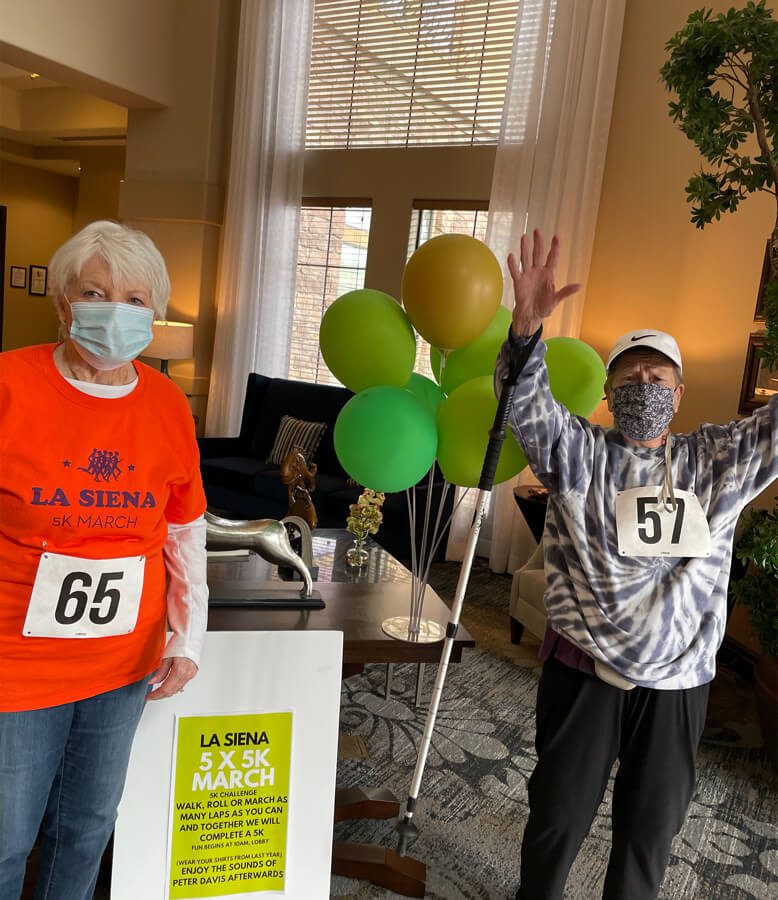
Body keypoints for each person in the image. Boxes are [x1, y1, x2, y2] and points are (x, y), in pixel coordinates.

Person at [498, 229, 777, 900]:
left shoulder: (717, 462)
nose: (644, 384)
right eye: (631, 374)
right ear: (609, 389)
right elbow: (527, 407)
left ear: (679, 395)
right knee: (557, 819)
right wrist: (526, 333)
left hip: (679, 682)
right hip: (583, 670)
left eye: (658, 376)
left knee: (649, 833)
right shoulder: (579, 454)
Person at [0, 220, 209, 899]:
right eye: (95, 291)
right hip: (15, 665)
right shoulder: (10, 385)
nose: (114, 310)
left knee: (85, 831)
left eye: (135, 299)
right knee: (5, 844)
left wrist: (189, 636)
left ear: (154, 314)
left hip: (122, 664)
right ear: (63, 304)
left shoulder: (167, 404)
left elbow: (184, 531)